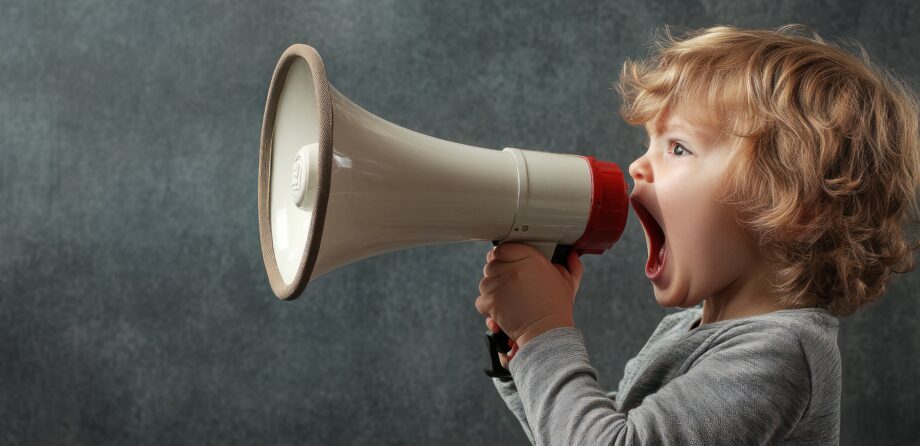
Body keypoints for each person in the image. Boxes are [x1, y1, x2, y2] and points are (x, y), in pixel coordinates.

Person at [474, 25, 920, 445]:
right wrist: (520, 356)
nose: (637, 166)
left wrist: (542, 331)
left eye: (678, 148)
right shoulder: (690, 329)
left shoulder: (778, 354)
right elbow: (589, 431)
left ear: (791, 206)